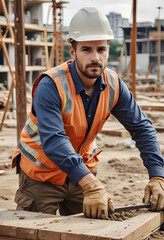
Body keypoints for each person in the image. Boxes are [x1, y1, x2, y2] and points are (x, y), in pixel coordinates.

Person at [12, 7, 164, 220]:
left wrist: (158, 176)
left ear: (108, 50)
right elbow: (54, 140)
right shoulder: (51, 85)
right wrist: (91, 185)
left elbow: (142, 128)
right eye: (86, 50)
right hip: (42, 176)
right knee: (35, 231)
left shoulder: (113, 85)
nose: (95, 57)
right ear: (72, 52)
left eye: (101, 49)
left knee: (89, 229)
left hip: (80, 174)